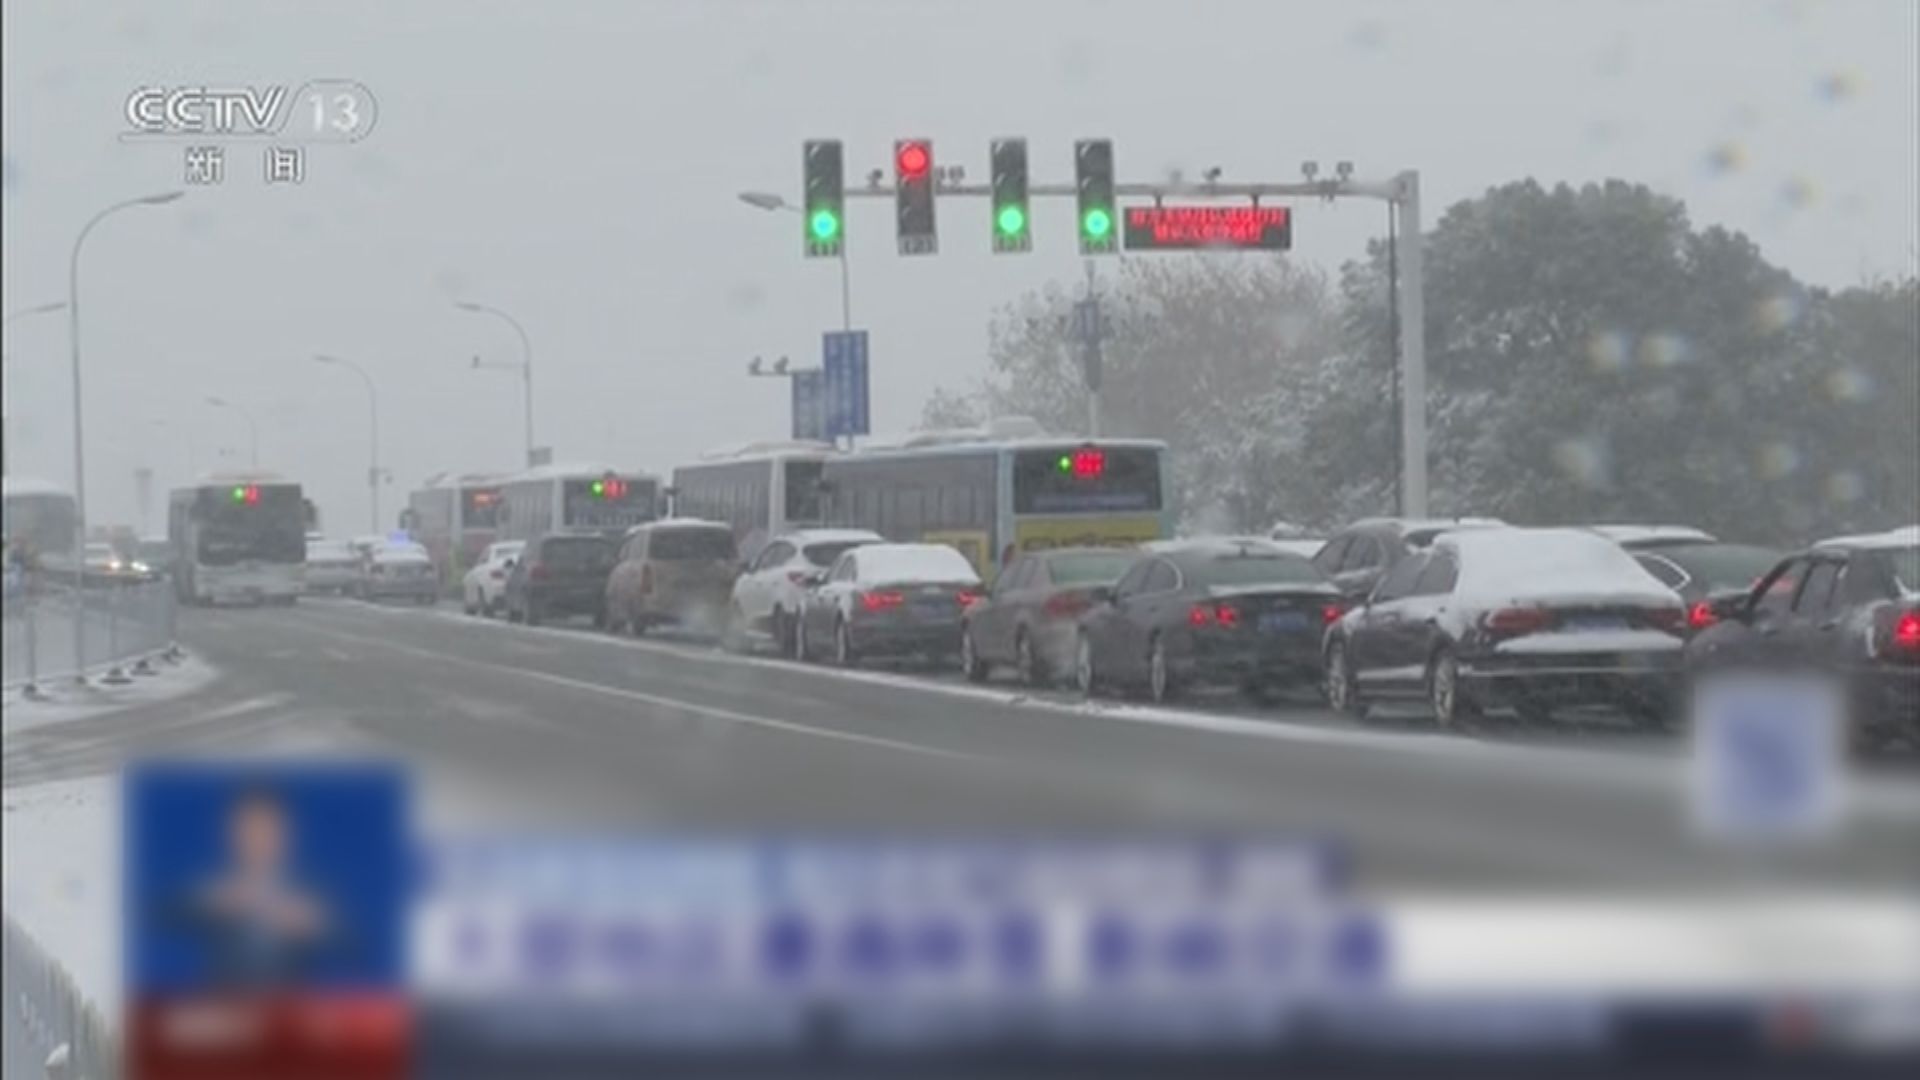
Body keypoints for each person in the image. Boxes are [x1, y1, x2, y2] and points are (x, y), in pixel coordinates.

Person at [184, 787, 333, 987]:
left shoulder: (310, 895)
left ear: (286, 833)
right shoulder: (214, 890)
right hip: (223, 1005)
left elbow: (355, 948)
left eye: (267, 829)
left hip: (290, 1008)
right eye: (249, 829)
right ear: (233, 833)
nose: (258, 840)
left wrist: (319, 929)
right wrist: (207, 904)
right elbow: (154, 912)